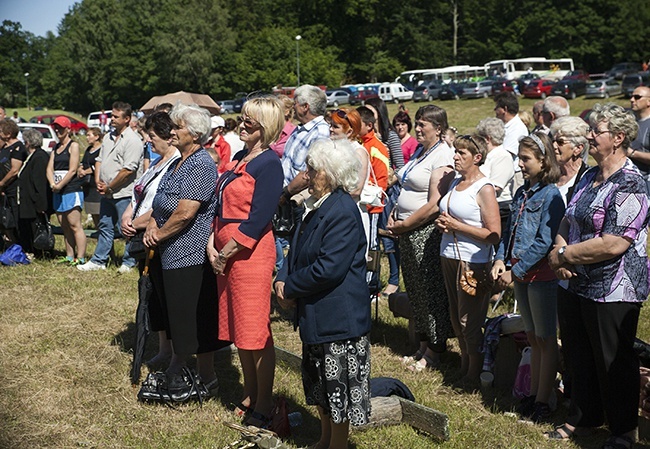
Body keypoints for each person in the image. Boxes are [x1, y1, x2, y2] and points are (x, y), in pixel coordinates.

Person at [546, 103, 648, 448]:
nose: (589, 136)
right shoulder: (588, 176)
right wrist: (559, 253)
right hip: (574, 281)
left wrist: (563, 254)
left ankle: (623, 431)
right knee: (579, 353)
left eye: (596, 131)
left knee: (613, 361)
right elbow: (568, 218)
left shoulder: (632, 183)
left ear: (617, 138)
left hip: (614, 287)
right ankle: (583, 418)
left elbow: (615, 243)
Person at [274, 138, 371, 449]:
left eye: (312, 169)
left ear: (329, 174)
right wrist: (282, 278)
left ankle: (338, 444)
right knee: (319, 384)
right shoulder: (315, 206)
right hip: (317, 312)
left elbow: (329, 268)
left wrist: (289, 287)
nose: (307, 174)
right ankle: (325, 438)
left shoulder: (342, 210)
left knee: (337, 387)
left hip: (338, 317)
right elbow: (295, 250)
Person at [207, 96, 284, 427]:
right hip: (225, 254)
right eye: (241, 118)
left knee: (255, 330)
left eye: (249, 121)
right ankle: (249, 392)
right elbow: (219, 206)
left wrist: (225, 252)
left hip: (249, 256)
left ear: (264, 128)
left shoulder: (270, 163)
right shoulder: (238, 157)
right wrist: (212, 244)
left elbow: (258, 218)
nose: (242, 124)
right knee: (240, 329)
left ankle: (264, 400)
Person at [143, 102, 226, 397]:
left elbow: (185, 213)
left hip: (188, 252)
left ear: (194, 132)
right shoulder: (177, 161)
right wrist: (152, 225)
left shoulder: (201, 164)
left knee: (193, 315)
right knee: (174, 312)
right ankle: (179, 361)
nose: (173, 131)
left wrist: (157, 235)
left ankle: (205, 375)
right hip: (168, 250)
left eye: (178, 127)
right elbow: (160, 202)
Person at [492, 133, 564, 421]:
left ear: (544, 160)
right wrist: (500, 259)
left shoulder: (551, 195)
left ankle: (544, 401)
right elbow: (510, 233)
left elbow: (545, 240)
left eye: (525, 159)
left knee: (546, 339)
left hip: (540, 278)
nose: (520, 164)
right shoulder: (523, 193)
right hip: (520, 276)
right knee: (533, 338)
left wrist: (515, 271)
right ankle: (532, 395)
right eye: (519, 158)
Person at [386, 105, 456, 372]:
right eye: (416, 123)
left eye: (423, 124)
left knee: (431, 291)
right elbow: (405, 186)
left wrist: (405, 225)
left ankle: (436, 350)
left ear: (438, 128)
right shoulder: (420, 151)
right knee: (416, 291)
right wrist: (395, 214)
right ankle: (423, 345)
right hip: (406, 229)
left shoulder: (443, 155)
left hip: (424, 232)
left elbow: (434, 204)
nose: (417, 128)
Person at [436, 135, 501, 387]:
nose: (455, 157)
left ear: (477, 157)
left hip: (473, 260)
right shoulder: (456, 182)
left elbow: (493, 234)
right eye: (455, 152)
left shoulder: (484, 188)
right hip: (449, 254)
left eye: (462, 153)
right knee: (455, 316)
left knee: (469, 319)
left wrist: (456, 226)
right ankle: (465, 364)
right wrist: (444, 224)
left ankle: (474, 373)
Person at [120, 111, 181, 370]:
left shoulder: (176, 163)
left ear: (169, 137)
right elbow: (139, 193)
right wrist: (127, 214)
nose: (148, 141)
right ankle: (164, 349)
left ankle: (177, 353)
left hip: (159, 239)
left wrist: (135, 223)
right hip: (141, 234)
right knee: (152, 296)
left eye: (153, 136)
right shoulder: (157, 161)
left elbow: (163, 206)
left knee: (165, 298)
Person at [77, 101, 144, 272]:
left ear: (127, 119)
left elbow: (128, 170)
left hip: (124, 193)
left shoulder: (133, 140)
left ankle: (129, 262)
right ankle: (99, 260)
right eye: (111, 116)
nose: (111, 119)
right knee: (105, 226)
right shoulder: (108, 137)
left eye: (115, 116)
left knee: (127, 229)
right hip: (107, 192)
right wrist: (100, 181)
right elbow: (100, 160)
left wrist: (110, 187)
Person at [47, 116, 86, 265]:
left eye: (61, 128)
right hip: (58, 191)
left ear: (68, 129)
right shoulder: (55, 147)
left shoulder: (73, 146)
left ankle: (80, 257)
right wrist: (52, 183)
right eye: (56, 127)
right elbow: (50, 168)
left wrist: (60, 185)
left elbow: (72, 169)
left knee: (75, 225)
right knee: (64, 225)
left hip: (71, 189)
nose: (58, 130)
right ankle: (69, 255)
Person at [476, 117, 515, 231]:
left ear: (487, 138)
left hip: (500, 211)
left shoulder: (502, 156)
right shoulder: (487, 155)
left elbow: (496, 187)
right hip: (483, 207)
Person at [17, 128, 50, 254]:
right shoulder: (31, 156)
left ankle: (39, 251)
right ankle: (30, 249)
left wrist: (41, 204)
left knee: (37, 228)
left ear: (28, 142)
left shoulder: (39, 157)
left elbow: (40, 183)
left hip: (35, 203)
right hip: (28, 201)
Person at [549, 116, 591, 205]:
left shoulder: (587, 180)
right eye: (553, 141)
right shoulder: (549, 175)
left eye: (560, 142)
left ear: (578, 149)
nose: (554, 146)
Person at [0, 119, 28, 246]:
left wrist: (1, 183)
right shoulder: (4, 147)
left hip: (13, 189)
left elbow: (14, 170)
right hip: (4, 190)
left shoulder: (18, 148)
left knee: (15, 218)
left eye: (1, 131)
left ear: (9, 133)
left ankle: (21, 245)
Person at [494, 92, 528, 193]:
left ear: (504, 109)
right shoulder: (507, 126)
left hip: (515, 176)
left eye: (497, 107)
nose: (495, 110)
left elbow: (506, 154)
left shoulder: (517, 128)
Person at [78, 127, 103, 228]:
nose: (87, 138)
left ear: (96, 137)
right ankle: (97, 228)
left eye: (89, 135)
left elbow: (99, 165)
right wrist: (80, 169)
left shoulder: (102, 149)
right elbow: (83, 162)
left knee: (99, 210)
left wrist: (86, 171)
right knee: (92, 211)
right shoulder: (88, 149)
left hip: (96, 184)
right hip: (87, 186)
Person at [626, 86, 650, 192]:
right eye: (631, 97)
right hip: (628, 181)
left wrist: (631, 153)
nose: (632, 100)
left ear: (648, 101)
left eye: (637, 97)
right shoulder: (629, 123)